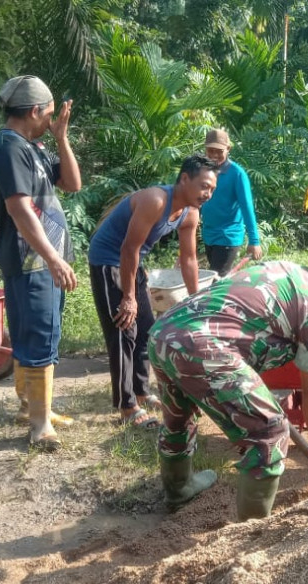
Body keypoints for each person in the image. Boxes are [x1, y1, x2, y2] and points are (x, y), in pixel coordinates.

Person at [148, 253, 308, 520]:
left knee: (178, 416)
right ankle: (253, 533)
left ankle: (179, 489)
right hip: (203, 347)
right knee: (270, 431)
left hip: (164, 334)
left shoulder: (286, 270)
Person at [88, 154, 218, 430]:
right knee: (124, 330)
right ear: (185, 179)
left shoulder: (190, 213)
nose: (208, 194)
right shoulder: (155, 200)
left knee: (147, 330)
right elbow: (128, 249)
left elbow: (189, 259)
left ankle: (142, 392)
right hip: (108, 260)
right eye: (204, 186)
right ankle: (126, 406)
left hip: (133, 263)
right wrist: (128, 297)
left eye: (212, 189)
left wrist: (195, 300)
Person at [0, 75, 80, 451]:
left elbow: (72, 183)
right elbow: (19, 209)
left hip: (44, 260)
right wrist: (53, 258)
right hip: (31, 260)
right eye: (50, 114)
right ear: (35, 111)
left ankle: (34, 408)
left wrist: (61, 138)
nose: (52, 119)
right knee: (38, 333)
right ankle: (39, 426)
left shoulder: (33, 146)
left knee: (42, 331)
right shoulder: (8, 148)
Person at [200, 129, 262, 277]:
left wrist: (254, 241)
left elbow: (247, 208)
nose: (214, 155)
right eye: (210, 150)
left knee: (216, 280)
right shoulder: (203, 171)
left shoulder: (237, 174)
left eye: (219, 151)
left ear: (228, 149)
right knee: (215, 277)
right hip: (209, 235)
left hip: (228, 236)